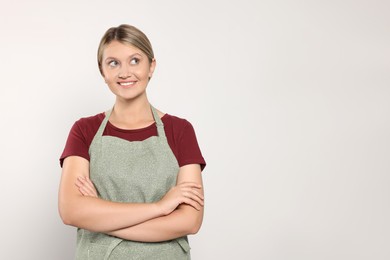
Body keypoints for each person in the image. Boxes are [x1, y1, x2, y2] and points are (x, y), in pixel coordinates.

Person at [58, 24, 206, 259]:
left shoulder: (181, 131)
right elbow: (71, 211)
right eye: (113, 63)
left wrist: (100, 216)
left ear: (151, 66)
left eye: (135, 60)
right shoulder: (84, 130)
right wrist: (159, 208)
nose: (125, 72)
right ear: (102, 71)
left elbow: (190, 220)